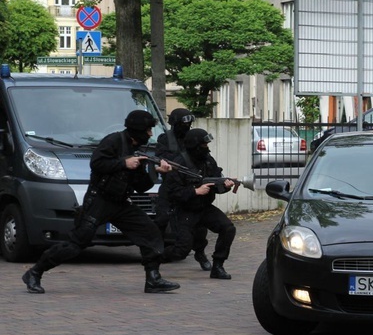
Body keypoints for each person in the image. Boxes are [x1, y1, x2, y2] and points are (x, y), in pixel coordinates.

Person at [22, 110, 181, 294]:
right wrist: (124, 163)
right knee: (75, 244)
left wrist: (157, 172)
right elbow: (97, 164)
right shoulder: (113, 141)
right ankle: (35, 272)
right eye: (148, 130)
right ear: (137, 129)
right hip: (99, 201)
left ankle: (153, 279)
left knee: (150, 232)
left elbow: (142, 186)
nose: (150, 134)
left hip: (120, 203)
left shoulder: (137, 150)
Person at [162, 128, 236, 280]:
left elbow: (217, 183)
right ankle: (154, 257)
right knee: (181, 251)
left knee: (228, 228)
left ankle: (218, 266)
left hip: (204, 207)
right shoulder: (179, 163)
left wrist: (226, 185)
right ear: (195, 146)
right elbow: (172, 193)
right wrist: (195, 191)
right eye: (203, 145)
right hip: (184, 211)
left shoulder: (208, 161)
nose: (207, 147)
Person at [154, 108, 212, 271]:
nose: (188, 127)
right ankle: (155, 252)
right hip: (170, 185)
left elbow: (205, 156)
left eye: (189, 123)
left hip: (190, 185)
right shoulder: (166, 139)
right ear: (175, 123)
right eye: (184, 123)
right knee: (161, 219)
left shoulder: (193, 137)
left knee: (199, 224)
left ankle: (200, 253)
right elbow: (160, 157)